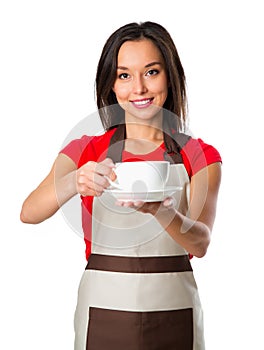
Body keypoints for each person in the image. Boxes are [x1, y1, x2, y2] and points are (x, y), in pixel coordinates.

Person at [20, 21, 222, 350]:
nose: (138, 88)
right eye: (124, 75)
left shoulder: (199, 155)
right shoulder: (85, 150)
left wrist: (161, 212)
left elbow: (200, 242)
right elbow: (29, 212)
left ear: (170, 76)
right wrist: (74, 180)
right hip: (102, 312)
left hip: (175, 313)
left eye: (152, 72)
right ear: (110, 84)